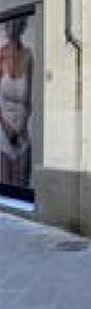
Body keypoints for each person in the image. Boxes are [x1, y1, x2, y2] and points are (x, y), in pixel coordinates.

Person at [0, 16, 33, 189]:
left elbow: (30, 100)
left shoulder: (28, 56)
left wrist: (20, 130)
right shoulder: (0, 55)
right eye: (9, 23)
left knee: (22, 188)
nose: (12, 26)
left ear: (24, 25)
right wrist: (6, 129)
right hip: (3, 134)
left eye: (17, 22)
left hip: (22, 134)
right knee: (5, 187)